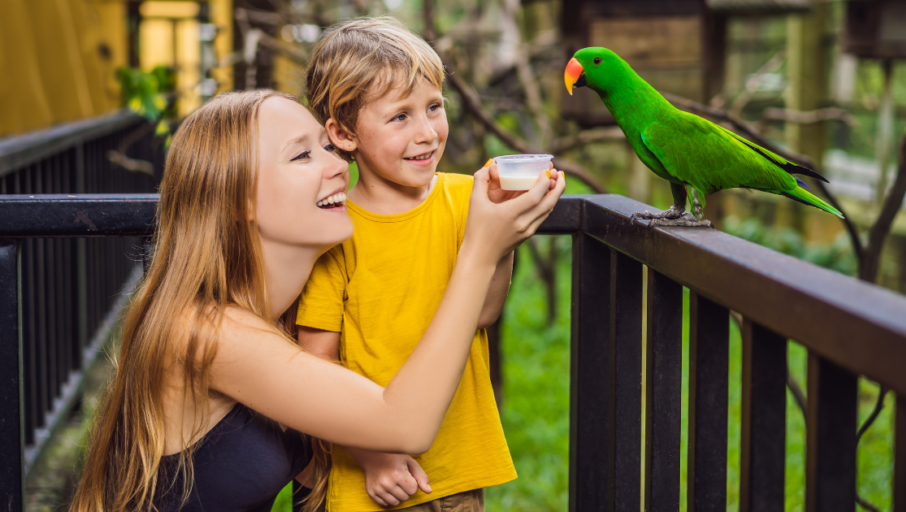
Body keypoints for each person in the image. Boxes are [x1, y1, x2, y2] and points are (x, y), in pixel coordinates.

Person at [70, 89, 564, 512]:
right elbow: (403, 424)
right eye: (303, 155)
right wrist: (480, 250)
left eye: (329, 147)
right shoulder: (204, 330)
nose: (337, 165)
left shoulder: (281, 318)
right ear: (237, 196)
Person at [299, 18, 537, 511]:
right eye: (399, 117)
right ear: (343, 133)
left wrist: (503, 235)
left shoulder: (465, 196)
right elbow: (314, 365)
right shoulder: (334, 227)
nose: (427, 132)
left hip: (453, 469)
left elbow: (485, 312)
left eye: (433, 107)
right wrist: (372, 455)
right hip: (367, 476)